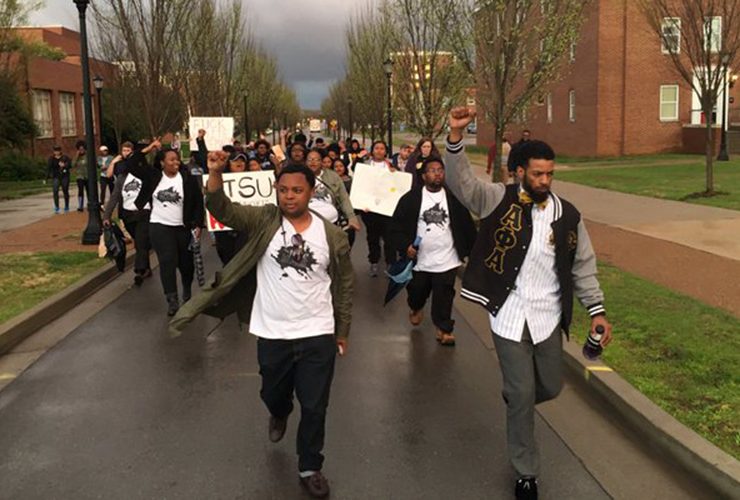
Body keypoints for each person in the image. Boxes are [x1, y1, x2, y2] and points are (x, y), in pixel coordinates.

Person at [443, 107, 612, 500]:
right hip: (509, 314)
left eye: (550, 174)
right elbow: (462, 183)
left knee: (549, 386)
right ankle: (526, 472)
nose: (545, 181)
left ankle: (516, 398)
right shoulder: (496, 199)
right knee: (522, 394)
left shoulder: (567, 216)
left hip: (548, 316)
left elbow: (582, 265)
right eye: (538, 174)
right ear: (519, 171)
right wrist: (455, 137)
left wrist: (597, 310)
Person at [170, 153, 353, 499]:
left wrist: (341, 330)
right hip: (272, 331)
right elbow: (221, 208)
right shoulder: (264, 220)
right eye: (283, 190)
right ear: (276, 190)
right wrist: (214, 172)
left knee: (315, 405)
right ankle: (279, 411)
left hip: (317, 331)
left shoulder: (332, 236)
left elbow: (344, 285)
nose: (289, 196)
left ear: (311, 192)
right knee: (273, 392)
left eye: (297, 190)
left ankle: (310, 466)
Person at [389, 156, 476, 346]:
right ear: (423, 176)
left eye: (440, 170)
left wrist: (472, 251)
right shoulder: (411, 199)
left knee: (444, 294)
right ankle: (416, 306)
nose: (437, 174)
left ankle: (444, 328)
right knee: (417, 291)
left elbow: (466, 226)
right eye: (432, 170)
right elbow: (396, 227)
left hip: (447, 258)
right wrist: (405, 246)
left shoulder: (453, 199)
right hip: (420, 260)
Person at [128, 140, 205, 316]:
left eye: (177, 159)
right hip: (160, 226)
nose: (175, 162)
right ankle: (172, 300)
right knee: (167, 261)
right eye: (171, 160)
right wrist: (148, 149)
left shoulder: (187, 179)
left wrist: (198, 224)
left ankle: (187, 290)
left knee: (186, 264)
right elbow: (132, 164)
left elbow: (198, 203)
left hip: (182, 227)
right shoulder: (153, 176)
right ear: (162, 163)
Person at [102, 140, 160, 286]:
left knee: (140, 240)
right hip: (127, 215)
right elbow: (114, 197)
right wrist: (106, 216)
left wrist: (152, 148)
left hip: (144, 213)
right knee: (139, 242)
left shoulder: (146, 175)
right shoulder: (122, 179)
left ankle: (140, 270)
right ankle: (146, 268)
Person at [360, 141, 397, 276]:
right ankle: (374, 262)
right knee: (372, 237)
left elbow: (397, 187)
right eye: (376, 148)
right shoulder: (365, 166)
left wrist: (395, 174)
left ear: (385, 151)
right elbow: (361, 186)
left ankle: (390, 263)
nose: (379, 151)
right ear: (372, 150)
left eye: (382, 148)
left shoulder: (392, 166)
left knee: (389, 238)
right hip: (370, 210)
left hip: (387, 210)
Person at [305, 149, 360, 232]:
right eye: (310, 159)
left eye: (316, 160)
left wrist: (351, 217)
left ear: (321, 162)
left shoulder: (333, 176)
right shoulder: (299, 177)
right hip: (307, 223)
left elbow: (343, 198)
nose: (313, 162)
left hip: (331, 223)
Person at [47, 146, 72, 213]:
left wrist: (64, 165)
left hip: (64, 176)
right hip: (56, 176)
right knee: (55, 191)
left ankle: (66, 206)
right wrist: (47, 177)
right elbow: (49, 168)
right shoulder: (51, 158)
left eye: (58, 150)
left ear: (60, 151)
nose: (57, 152)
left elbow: (70, 165)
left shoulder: (65, 157)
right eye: (55, 151)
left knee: (65, 190)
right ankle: (57, 206)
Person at [73, 140, 89, 211]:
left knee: (89, 191)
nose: (81, 151)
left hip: (87, 176)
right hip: (80, 176)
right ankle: (80, 205)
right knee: (80, 190)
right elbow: (72, 164)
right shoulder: (76, 157)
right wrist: (77, 156)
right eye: (80, 149)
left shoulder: (87, 156)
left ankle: (89, 204)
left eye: (82, 149)